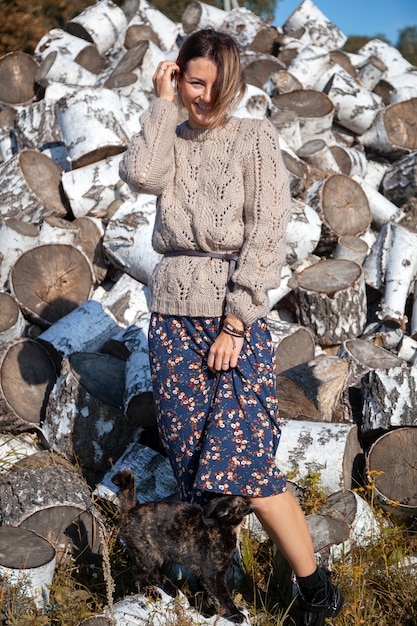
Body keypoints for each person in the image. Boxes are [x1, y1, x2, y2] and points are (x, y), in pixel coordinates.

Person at [119, 27, 343, 626]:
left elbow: (268, 233)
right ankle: (221, 588)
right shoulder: (169, 130)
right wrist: (160, 103)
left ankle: (317, 590)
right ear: (179, 75)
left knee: (244, 465)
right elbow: (140, 174)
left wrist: (238, 322)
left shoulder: (254, 138)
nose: (205, 97)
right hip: (171, 320)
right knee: (195, 466)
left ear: (236, 83)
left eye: (217, 86)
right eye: (194, 81)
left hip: (229, 323)